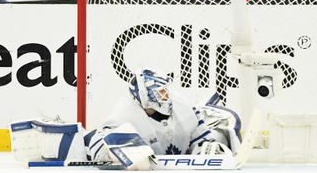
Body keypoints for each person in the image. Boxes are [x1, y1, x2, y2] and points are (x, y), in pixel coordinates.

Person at [86, 69, 233, 165]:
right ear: (144, 97)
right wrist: (118, 154)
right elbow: (98, 148)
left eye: (166, 91)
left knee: (227, 124)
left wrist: (208, 148)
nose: (166, 96)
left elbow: (201, 138)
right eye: (160, 92)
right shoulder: (124, 114)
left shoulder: (181, 105)